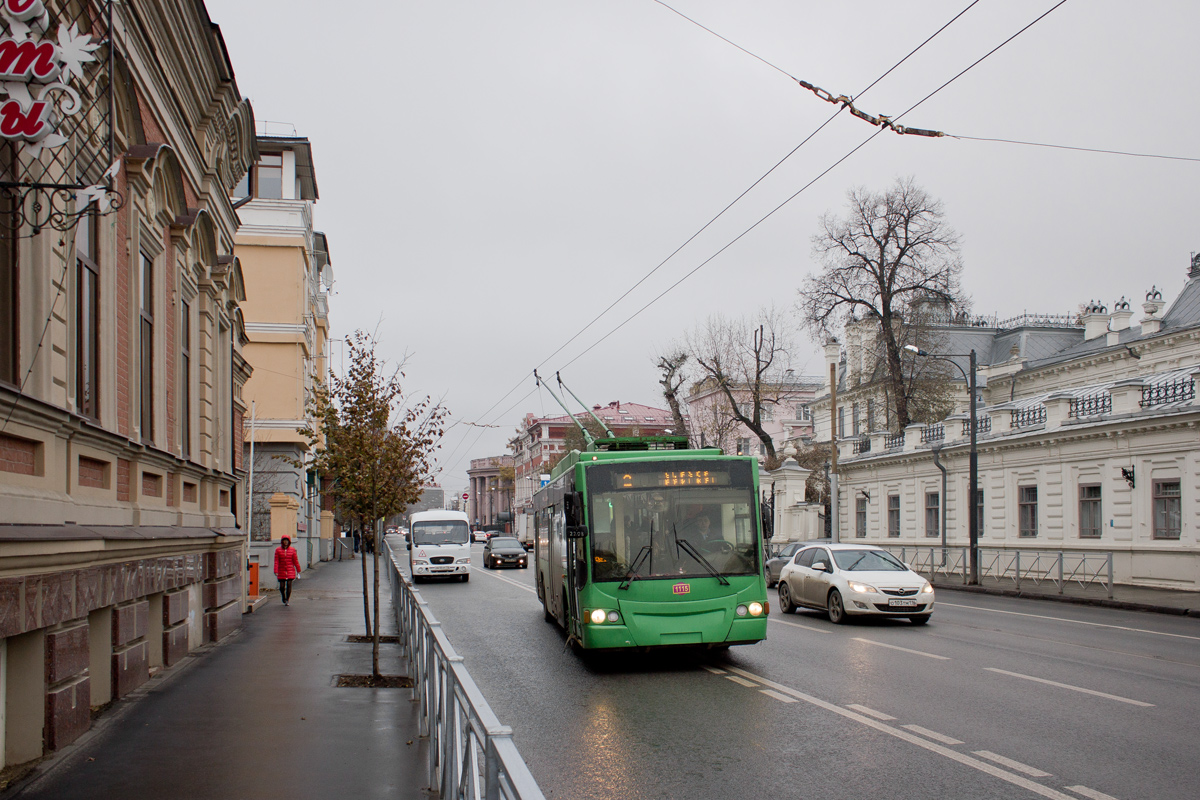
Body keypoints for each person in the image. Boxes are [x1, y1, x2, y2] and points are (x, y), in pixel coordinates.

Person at [274, 536, 301, 606]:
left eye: (287, 541)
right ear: (282, 541)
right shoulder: (278, 550)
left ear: (289, 542)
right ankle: (283, 597)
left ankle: (287, 599)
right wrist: (276, 570)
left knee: (289, 584)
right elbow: (276, 561)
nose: (285, 542)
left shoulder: (292, 550)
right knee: (282, 586)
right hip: (281, 570)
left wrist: (298, 570)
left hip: (290, 570)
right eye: (284, 540)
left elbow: (295, 560)